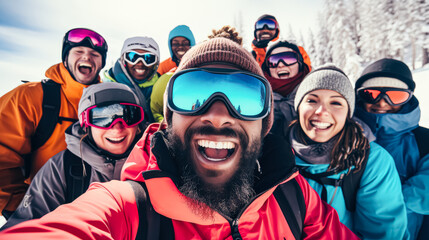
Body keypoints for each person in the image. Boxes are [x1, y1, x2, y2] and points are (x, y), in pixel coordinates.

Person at [0, 36, 358, 239]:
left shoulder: (294, 198)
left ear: (264, 126)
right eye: (193, 93)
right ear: (169, 120)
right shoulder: (129, 207)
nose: (218, 114)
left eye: (245, 97)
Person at [1, 82, 144, 230]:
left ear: (139, 124)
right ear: (85, 124)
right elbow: (26, 228)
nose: (117, 127)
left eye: (129, 116)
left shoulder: (151, 163)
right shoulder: (63, 168)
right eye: (102, 118)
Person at [289, 64, 408, 239]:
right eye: (312, 100)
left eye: (336, 102)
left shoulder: (372, 160)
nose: (321, 112)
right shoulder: (275, 154)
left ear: (348, 113)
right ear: (298, 107)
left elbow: (384, 234)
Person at [0, 28, 107, 218]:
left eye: (94, 54)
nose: (87, 58)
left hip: (92, 215)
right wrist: (19, 207)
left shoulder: (108, 104)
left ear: (101, 63)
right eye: (79, 52)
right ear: (65, 58)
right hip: (40, 212)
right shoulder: (30, 97)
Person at [354, 58, 429, 240]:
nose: (382, 103)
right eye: (371, 94)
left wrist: (382, 201)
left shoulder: (423, 140)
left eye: (396, 96)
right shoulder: (343, 138)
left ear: (408, 98)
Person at [150, 25, 236, 122]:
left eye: (185, 43)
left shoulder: (202, 75)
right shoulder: (166, 73)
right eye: (175, 43)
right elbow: (156, 105)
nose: (180, 46)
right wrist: (165, 122)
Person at [103, 36, 160, 124]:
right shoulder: (108, 87)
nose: (140, 63)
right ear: (124, 60)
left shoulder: (163, 86)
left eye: (148, 58)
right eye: (133, 57)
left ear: (155, 64)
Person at [261, 40, 312, 135]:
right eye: (273, 61)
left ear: (299, 64)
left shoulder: (316, 94)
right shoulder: (259, 102)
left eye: (288, 59)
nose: (280, 65)